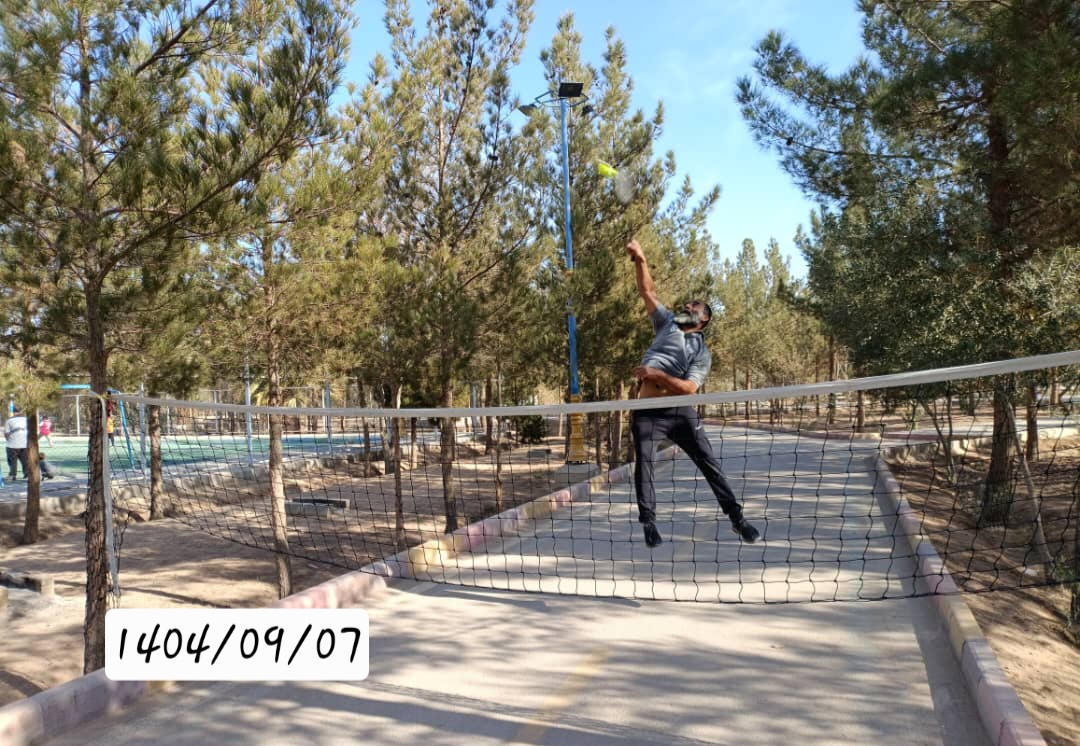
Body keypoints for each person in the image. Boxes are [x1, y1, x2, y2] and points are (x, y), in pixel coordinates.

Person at [625, 238, 760, 548]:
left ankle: (737, 518)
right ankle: (649, 523)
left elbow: (689, 388)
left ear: (704, 319)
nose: (687, 307)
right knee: (644, 464)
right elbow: (648, 291)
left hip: (680, 412)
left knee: (709, 464)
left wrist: (658, 375)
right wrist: (641, 258)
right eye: (686, 306)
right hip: (647, 412)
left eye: (693, 307)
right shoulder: (667, 324)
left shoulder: (702, 352)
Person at [4, 406, 29, 481]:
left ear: (13, 412)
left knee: (12, 461)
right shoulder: (26, 419)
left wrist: (9, 440)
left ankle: (12, 475)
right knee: (25, 460)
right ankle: (27, 474)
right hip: (24, 444)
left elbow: (6, 433)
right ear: (21, 411)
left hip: (12, 444)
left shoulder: (9, 421)